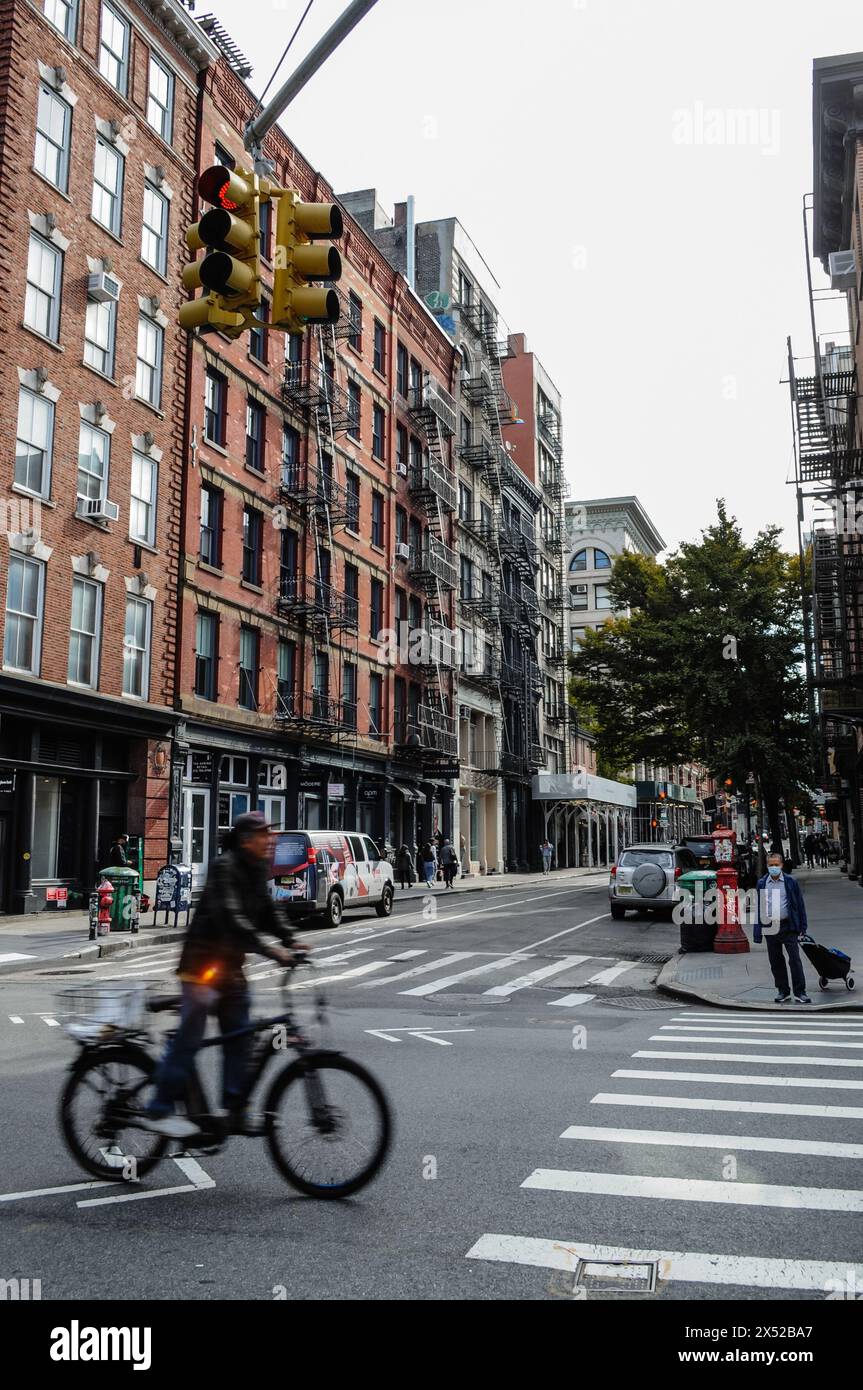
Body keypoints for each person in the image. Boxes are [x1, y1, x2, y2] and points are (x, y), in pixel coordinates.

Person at [142, 813, 305, 1138]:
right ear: (246, 840)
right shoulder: (224, 867)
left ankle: (234, 1108)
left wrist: (290, 939)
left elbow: (268, 912)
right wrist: (272, 951)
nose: (270, 840)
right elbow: (232, 918)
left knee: (241, 1036)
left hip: (230, 968)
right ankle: (158, 1108)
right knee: (190, 1037)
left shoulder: (256, 868)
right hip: (201, 967)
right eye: (264, 835)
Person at [754, 850, 811, 1004]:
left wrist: (803, 927)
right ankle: (783, 991)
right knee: (776, 961)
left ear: (781, 865)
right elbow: (759, 907)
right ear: (767, 866)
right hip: (769, 926)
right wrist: (757, 932)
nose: (773, 867)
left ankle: (800, 992)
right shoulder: (762, 883)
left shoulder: (790, 882)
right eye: (771, 865)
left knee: (795, 959)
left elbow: (799, 905)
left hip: (788, 925)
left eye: (776, 864)